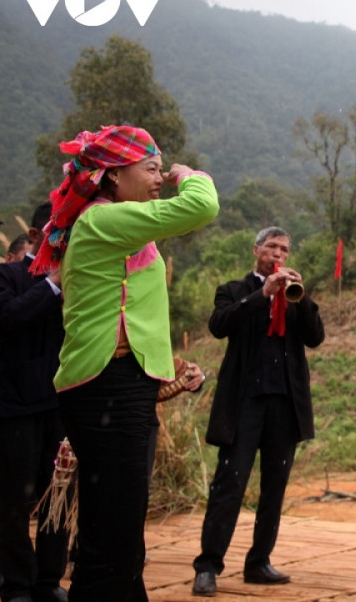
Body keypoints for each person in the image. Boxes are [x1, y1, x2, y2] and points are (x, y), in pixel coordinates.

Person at [31, 125, 219, 601]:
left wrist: (165, 368)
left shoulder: (119, 228)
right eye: (150, 168)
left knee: (114, 528)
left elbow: (130, 307)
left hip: (119, 384)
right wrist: (188, 174)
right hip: (106, 388)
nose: (159, 177)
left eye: (162, 169)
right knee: (114, 533)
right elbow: (202, 206)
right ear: (113, 176)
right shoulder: (101, 221)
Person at [191, 227, 324, 597]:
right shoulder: (233, 290)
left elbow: (315, 337)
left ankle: (258, 562)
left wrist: (302, 296)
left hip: (285, 403)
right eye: (271, 247)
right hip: (244, 403)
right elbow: (219, 325)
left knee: (274, 486)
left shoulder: (294, 294)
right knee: (230, 483)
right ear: (256, 250)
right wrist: (261, 294)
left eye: (284, 248)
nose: (278, 254)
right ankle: (208, 566)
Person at [0, 202, 69, 602]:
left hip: (63, 406)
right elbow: (3, 322)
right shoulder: (6, 275)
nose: (65, 241)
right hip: (16, 404)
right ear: (36, 236)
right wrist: (52, 284)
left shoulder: (84, 281)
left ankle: (49, 580)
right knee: (14, 500)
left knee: (58, 496)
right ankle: (17, 584)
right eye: (58, 232)